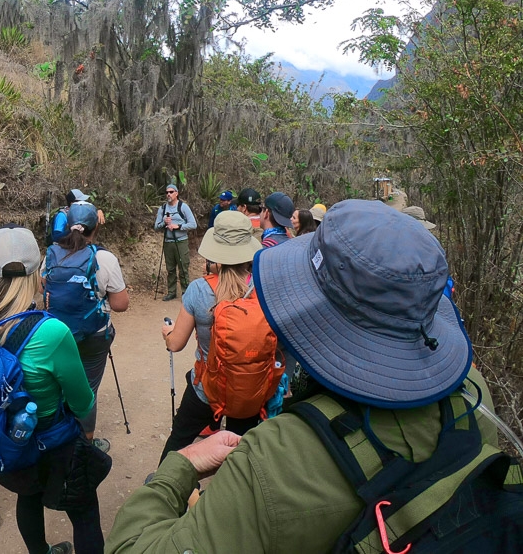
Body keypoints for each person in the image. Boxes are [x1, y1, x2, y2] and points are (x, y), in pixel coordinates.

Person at [106, 200, 490, 554]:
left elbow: (130, 547)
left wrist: (182, 467)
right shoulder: (477, 398)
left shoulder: (273, 463)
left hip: (209, 389)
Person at [0, 226, 104, 554]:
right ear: (39, 272)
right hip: (54, 440)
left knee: (28, 498)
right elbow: (82, 401)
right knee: (85, 512)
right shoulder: (51, 331)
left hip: (9, 440)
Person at [158, 211, 263, 464]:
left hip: (207, 387)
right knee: (241, 453)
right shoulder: (263, 287)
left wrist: (167, 334)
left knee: (179, 442)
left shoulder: (198, 290)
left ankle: (164, 487)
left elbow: (176, 344)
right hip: (250, 390)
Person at [43, 201, 128, 451]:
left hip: (56, 335)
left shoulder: (51, 254)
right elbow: (121, 304)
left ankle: (58, 437)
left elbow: (43, 288)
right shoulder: (103, 258)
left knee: (58, 387)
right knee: (86, 390)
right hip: (93, 337)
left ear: (67, 227)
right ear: (95, 228)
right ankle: (85, 446)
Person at [153, 185, 197, 301]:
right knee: (170, 269)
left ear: (176, 193)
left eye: (171, 192)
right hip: (168, 242)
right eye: (167, 192)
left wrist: (178, 226)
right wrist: (164, 222)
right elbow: (156, 227)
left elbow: (193, 224)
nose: (168, 194)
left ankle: (186, 293)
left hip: (181, 241)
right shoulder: (162, 208)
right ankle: (171, 292)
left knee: (183, 267)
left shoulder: (183, 207)